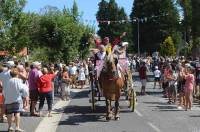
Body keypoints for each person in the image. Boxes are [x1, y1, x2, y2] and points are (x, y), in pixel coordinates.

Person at [3, 68, 29, 132]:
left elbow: (4, 91)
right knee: (17, 113)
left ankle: (10, 127)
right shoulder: (18, 80)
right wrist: (25, 96)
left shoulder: (8, 81)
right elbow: (24, 89)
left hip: (8, 99)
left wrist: (6, 98)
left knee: (9, 113)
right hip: (17, 99)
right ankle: (17, 127)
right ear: (17, 74)